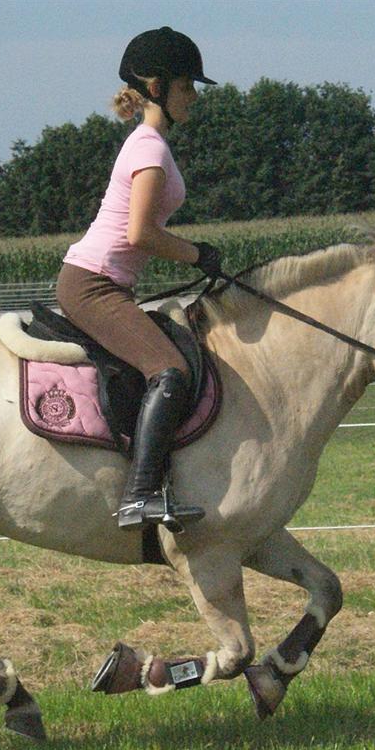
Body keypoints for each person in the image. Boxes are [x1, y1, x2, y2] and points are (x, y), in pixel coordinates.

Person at [55, 27, 223, 531]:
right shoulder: (149, 148)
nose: (193, 96)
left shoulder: (150, 144)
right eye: (186, 86)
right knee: (169, 371)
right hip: (92, 284)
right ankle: (140, 495)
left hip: (106, 282)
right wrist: (198, 254)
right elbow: (141, 232)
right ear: (156, 88)